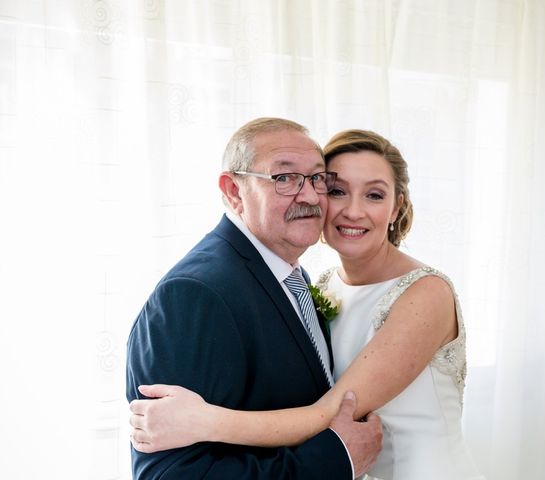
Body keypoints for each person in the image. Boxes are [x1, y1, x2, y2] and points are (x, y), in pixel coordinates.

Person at [130, 129, 486, 479]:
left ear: (397, 207)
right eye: (335, 190)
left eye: (374, 195)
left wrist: (205, 421)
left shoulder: (426, 293)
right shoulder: (322, 282)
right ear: (234, 191)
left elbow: (328, 410)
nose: (353, 211)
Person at [126, 118, 383, 479]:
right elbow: (172, 475)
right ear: (234, 191)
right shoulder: (195, 294)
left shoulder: (291, 274)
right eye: (284, 178)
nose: (310, 196)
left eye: (317, 178)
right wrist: (338, 459)